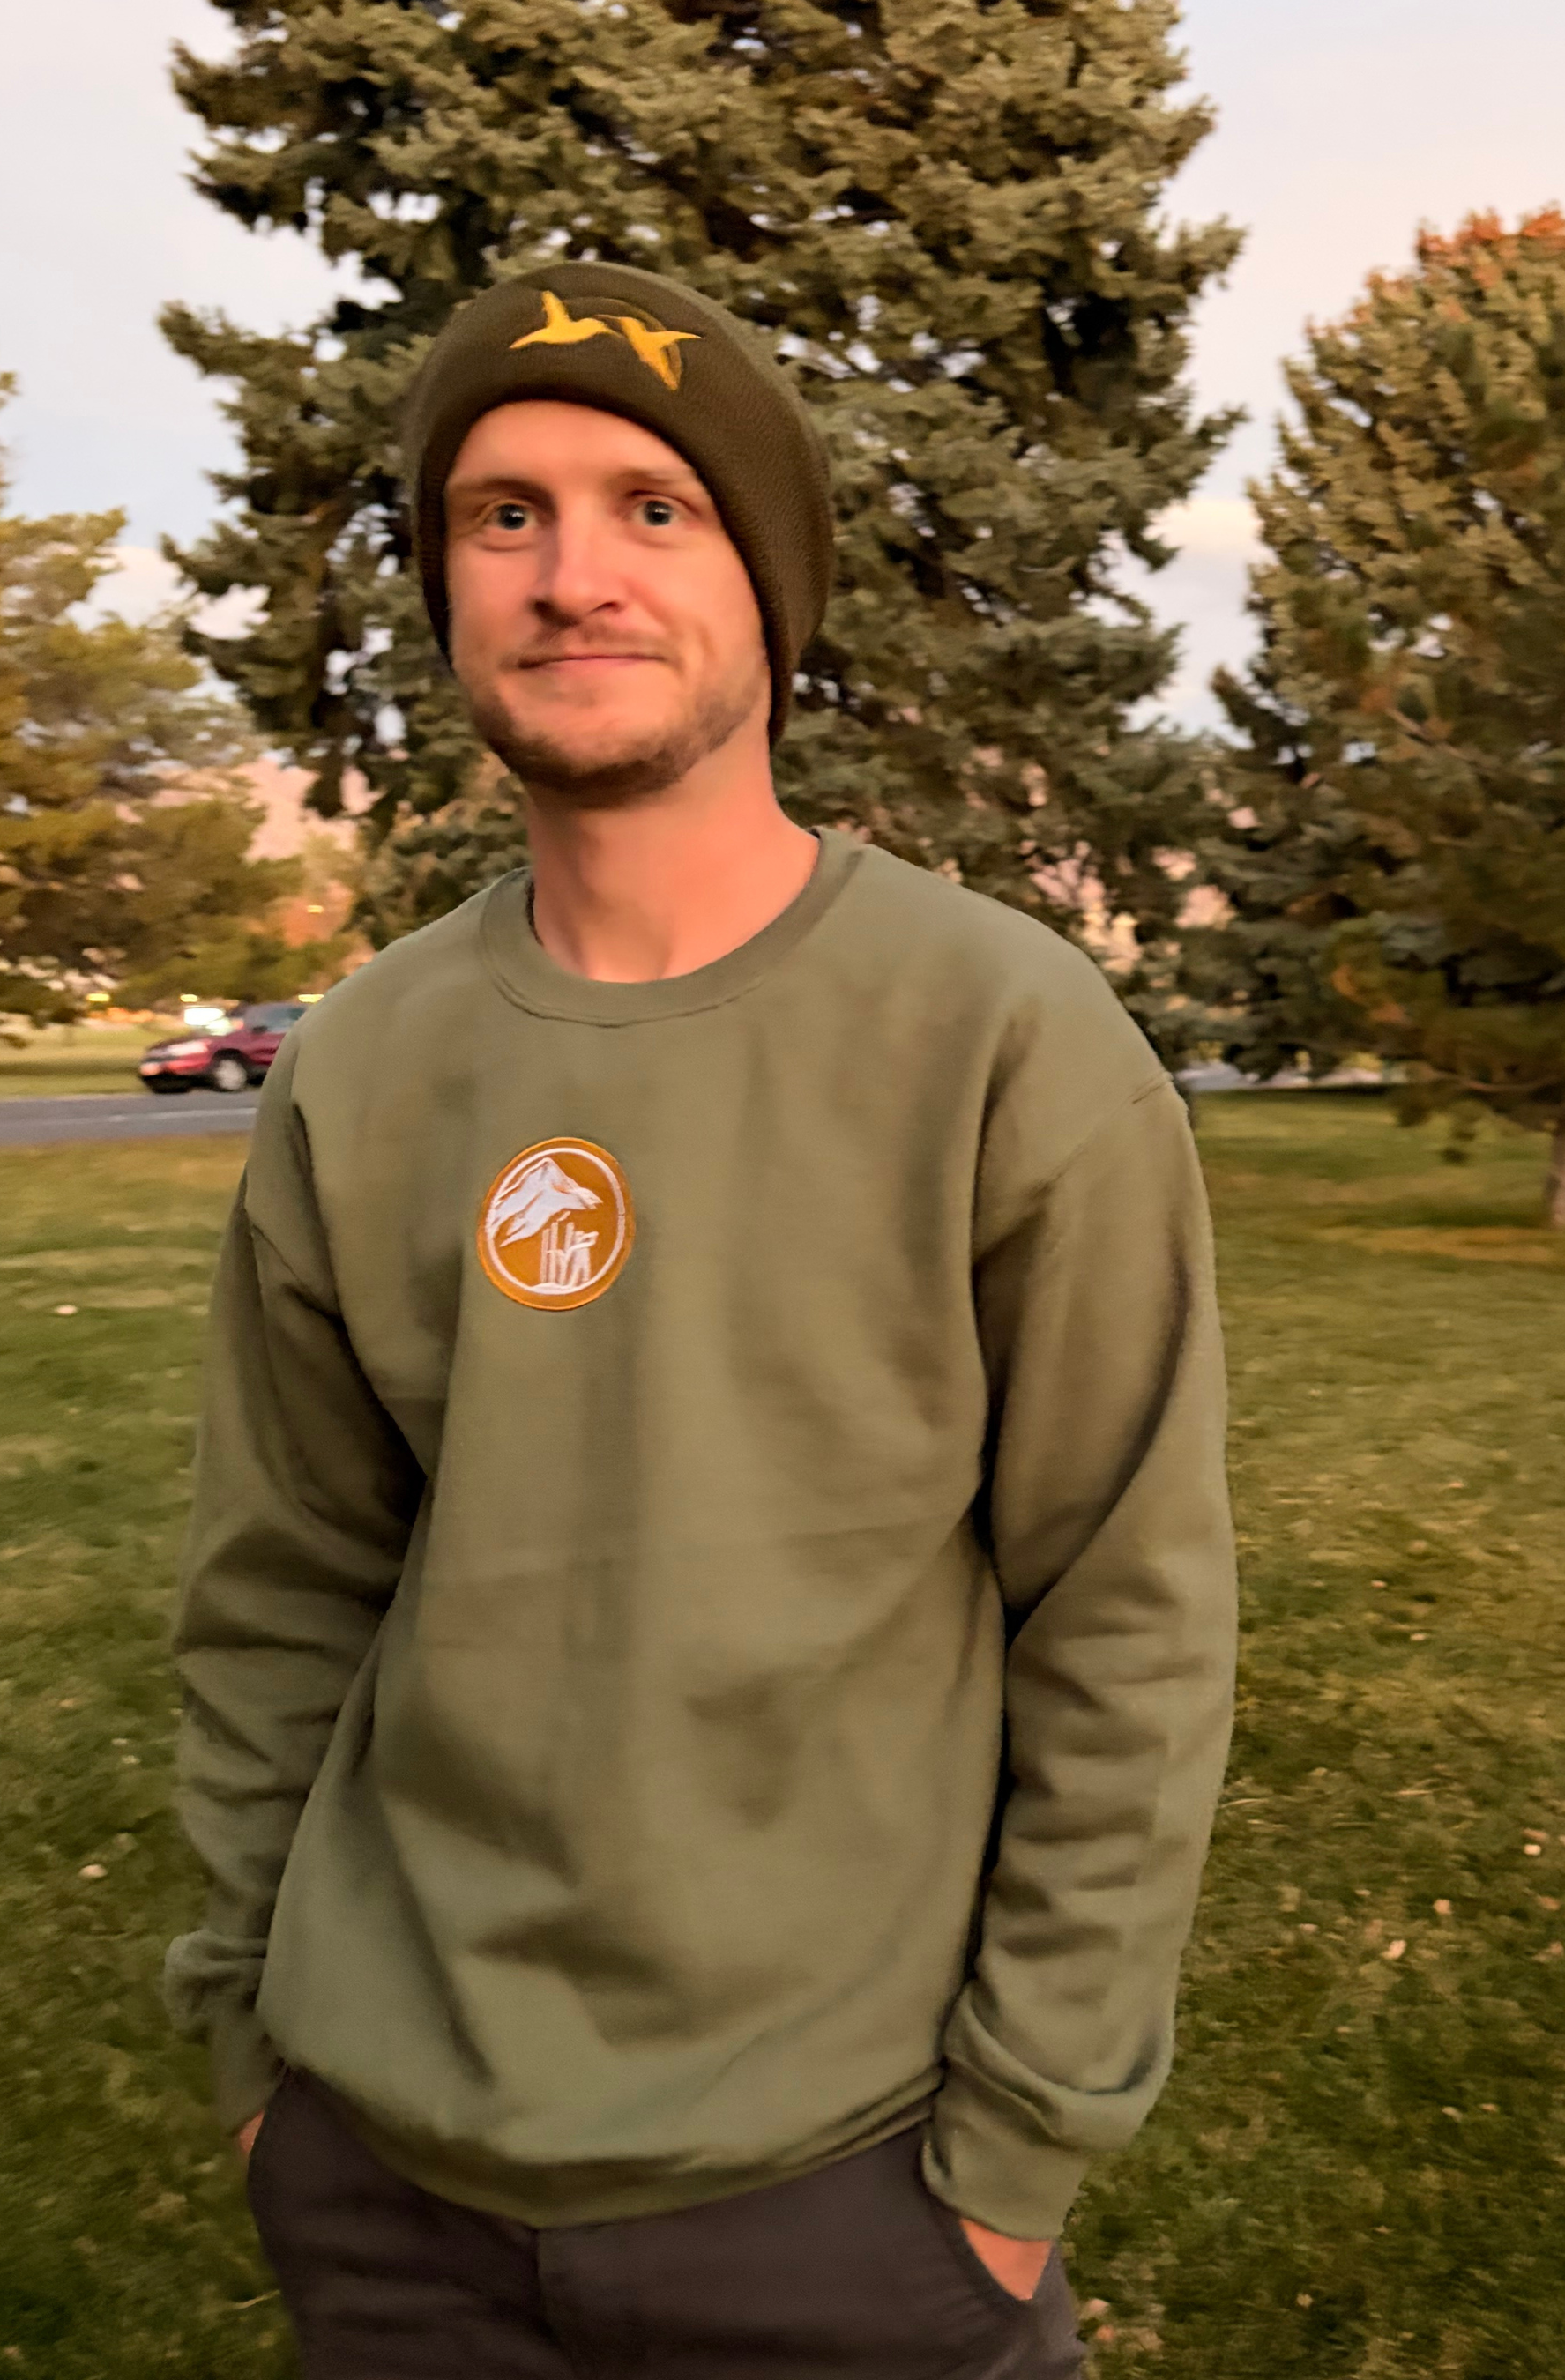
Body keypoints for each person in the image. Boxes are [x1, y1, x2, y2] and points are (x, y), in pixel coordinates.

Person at [162, 263, 1237, 2380]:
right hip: (393, 2200)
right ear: (450, 584)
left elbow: (1129, 1625)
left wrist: (1017, 2159)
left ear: (769, 584)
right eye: (505, 513)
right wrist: (255, 2050)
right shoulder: (370, 1061)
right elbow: (282, 1588)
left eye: (653, 508)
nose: (575, 575)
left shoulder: (1000, 1039)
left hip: (850, 2198)